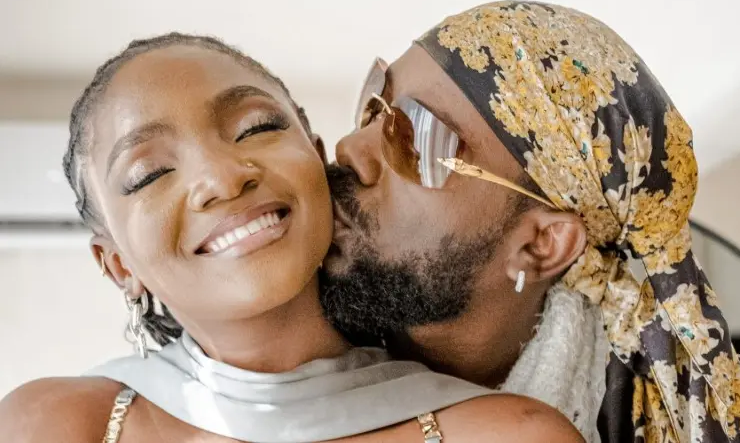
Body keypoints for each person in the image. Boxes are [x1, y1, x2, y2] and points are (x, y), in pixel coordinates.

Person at [0, 33, 584, 443]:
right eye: (149, 174)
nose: (223, 178)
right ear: (117, 265)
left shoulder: (508, 434)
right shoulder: (51, 425)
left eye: (256, 128)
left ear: (317, 156)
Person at [321, 1, 740, 442]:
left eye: (417, 137)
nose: (350, 147)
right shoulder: (294, 326)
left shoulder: (624, 424)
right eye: (373, 109)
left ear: (543, 244)